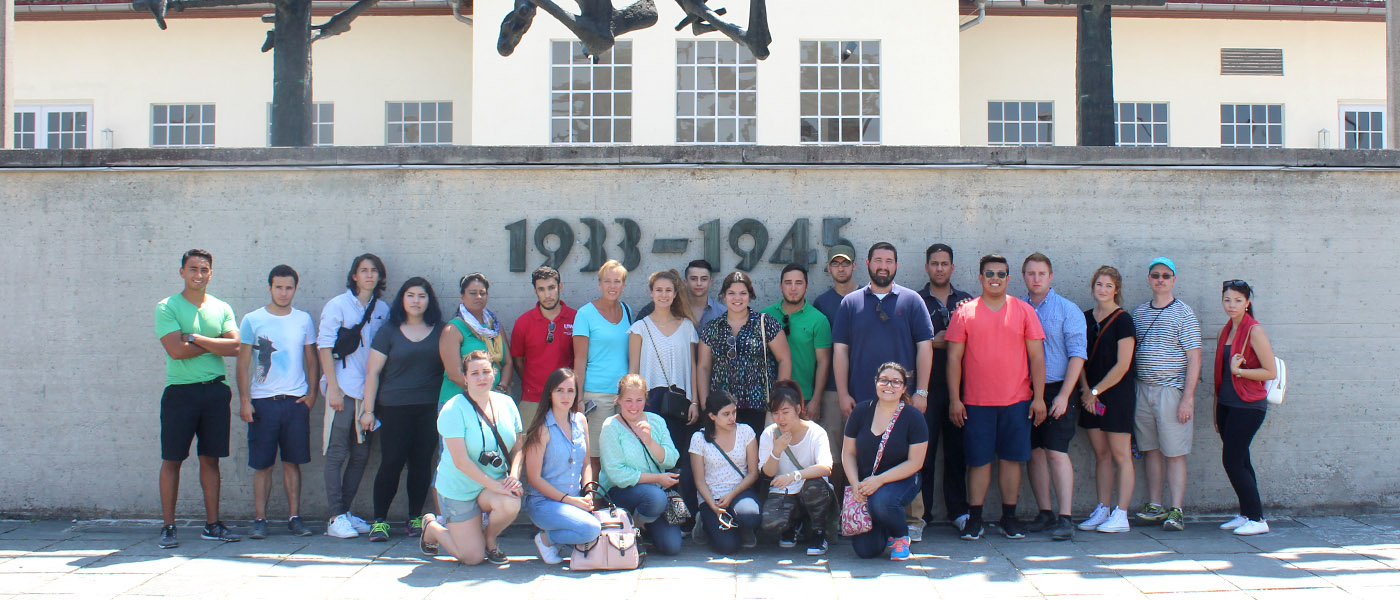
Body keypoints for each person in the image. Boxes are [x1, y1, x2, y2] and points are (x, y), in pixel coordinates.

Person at [830, 242, 934, 540]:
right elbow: (840, 351)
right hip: (861, 399)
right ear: (867, 263)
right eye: (878, 260)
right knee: (858, 456)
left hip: (904, 400)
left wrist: (922, 392)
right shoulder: (850, 303)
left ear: (897, 265)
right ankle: (858, 515)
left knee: (905, 457)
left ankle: (912, 521)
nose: (883, 266)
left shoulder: (912, 301)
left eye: (889, 261)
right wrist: (842, 392)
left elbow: (925, 348)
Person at [946, 254, 1047, 541]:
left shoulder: (1024, 310)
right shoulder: (964, 313)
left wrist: (1038, 398)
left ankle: (1009, 518)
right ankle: (974, 519)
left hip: (1016, 401)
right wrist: (955, 399)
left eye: (1001, 274)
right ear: (980, 278)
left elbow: (1037, 357)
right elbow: (954, 359)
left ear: (1008, 278)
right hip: (976, 403)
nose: (995, 278)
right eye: (989, 273)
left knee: (1012, 461)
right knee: (978, 462)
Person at [154, 249, 242, 548]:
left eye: (204, 269)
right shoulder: (167, 307)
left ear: (211, 273)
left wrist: (195, 338)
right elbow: (176, 351)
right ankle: (168, 526)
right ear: (182, 272)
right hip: (180, 392)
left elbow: (236, 347)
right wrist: (216, 345)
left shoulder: (221, 307)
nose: (198, 275)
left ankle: (212, 524)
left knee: (211, 459)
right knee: (172, 459)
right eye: (193, 269)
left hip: (215, 391)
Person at [360, 277, 446, 542]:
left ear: (429, 300)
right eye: (411, 295)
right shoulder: (389, 331)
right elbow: (373, 372)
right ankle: (380, 521)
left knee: (421, 465)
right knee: (391, 463)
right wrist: (368, 410)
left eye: (421, 296)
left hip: (429, 408)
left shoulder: (441, 330)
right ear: (402, 299)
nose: (416, 301)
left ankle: (415, 518)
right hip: (393, 408)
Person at [236, 264, 318, 539]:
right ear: (269, 287)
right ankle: (260, 519)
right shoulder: (252, 319)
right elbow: (243, 363)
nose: (284, 293)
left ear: (295, 288)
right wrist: (245, 400)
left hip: (295, 402)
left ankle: (295, 517)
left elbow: (311, 359)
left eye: (289, 287)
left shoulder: (303, 319)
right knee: (262, 464)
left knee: (292, 462)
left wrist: (311, 395)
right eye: (278, 287)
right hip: (263, 402)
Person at [421, 351, 524, 565]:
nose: (482, 377)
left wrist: (513, 476)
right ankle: (433, 528)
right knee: (472, 558)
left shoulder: (507, 403)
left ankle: (490, 540)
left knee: (511, 501)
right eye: (475, 373)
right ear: (465, 378)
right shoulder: (453, 409)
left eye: (486, 371)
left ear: (494, 373)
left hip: (491, 485)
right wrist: (496, 487)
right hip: (459, 489)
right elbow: (461, 461)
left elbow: (519, 447)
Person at [318, 253, 390, 539]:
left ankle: (345, 512)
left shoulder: (383, 308)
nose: (369, 275)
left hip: (368, 393)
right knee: (336, 452)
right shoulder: (338, 305)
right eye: (364, 270)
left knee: (361, 454)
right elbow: (324, 346)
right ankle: (335, 515)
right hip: (342, 389)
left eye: (374, 270)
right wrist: (332, 387)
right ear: (354, 275)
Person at [1131, 257, 1202, 532]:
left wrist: (1188, 397)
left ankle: (1177, 509)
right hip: (1142, 390)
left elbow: (1194, 358)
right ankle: (1155, 505)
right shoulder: (1138, 314)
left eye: (1165, 275)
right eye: (1155, 275)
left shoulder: (1184, 313)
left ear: (1174, 280)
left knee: (1174, 452)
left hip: (1171, 391)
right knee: (1150, 450)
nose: (1160, 279)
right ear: (1149, 279)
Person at [1020, 253, 1087, 541]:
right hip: (1025, 390)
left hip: (1058, 388)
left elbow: (1078, 355)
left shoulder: (1067, 309)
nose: (1036, 279)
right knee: (1034, 453)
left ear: (1051, 276)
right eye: (1031, 273)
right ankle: (1045, 513)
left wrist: (1064, 395)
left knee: (1057, 452)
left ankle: (1065, 517)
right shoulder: (1017, 308)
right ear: (1024, 277)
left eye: (1041, 273)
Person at [628, 270, 700, 516]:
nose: (663, 294)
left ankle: (679, 519)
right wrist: (632, 408)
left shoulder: (687, 326)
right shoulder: (639, 328)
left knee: (678, 461)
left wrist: (695, 401)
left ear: (675, 293)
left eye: (668, 290)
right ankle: (653, 517)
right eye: (658, 290)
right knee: (651, 460)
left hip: (679, 403)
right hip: (649, 403)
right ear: (651, 293)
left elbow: (692, 368)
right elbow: (633, 371)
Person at [842, 363, 929, 560]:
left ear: (904, 388)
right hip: (865, 482)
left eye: (896, 382)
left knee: (883, 502)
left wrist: (879, 480)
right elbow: (848, 453)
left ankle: (900, 536)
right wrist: (855, 484)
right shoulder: (861, 411)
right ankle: (885, 527)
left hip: (902, 479)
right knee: (866, 550)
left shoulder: (913, 417)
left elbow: (915, 463)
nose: (889, 386)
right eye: (884, 380)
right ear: (876, 383)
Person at [916, 243, 975, 532]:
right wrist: (934, 340)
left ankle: (958, 511)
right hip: (925, 388)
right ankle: (922, 514)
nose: (939, 268)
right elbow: (911, 342)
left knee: (957, 453)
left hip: (961, 391)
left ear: (953, 267)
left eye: (944, 263)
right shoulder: (915, 300)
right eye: (934, 263)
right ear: (927, 267)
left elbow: (976, 341)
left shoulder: (967, 301)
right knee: (923, 454)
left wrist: (947, 339)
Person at [1076, 266, 1138, 534]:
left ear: (1117, 290)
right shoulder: (1085, 317)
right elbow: (1077, 356)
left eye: (1108, 286)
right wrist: (1085, 390)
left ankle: (1121, 513)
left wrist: (1094, 392)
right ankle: (1103, 508)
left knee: (1121, 455)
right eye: (1099, 284)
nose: (1102, 289)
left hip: (1115, 396)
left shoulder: (1124, 320)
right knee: (1101, 455)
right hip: (1089, 397)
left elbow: (1123, 365)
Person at [1213, 280, 1276, 536]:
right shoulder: (1225, 330)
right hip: (1227, 404)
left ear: (1248, 302)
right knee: (1242, 459)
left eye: (1238, 300)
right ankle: (1247, 513)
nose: (1232, 305)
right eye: (1228, 299)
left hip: (1248, 405)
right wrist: (1216, 409)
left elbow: (1269, 371)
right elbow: (1219, 375)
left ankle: (1258, 519)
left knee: (1232, 460)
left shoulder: (1254, 330)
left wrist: (1239, 371)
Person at [696, 271, 792, 435]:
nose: (737, 298)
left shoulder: (765, 323)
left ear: (750, 295)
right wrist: (706, 406)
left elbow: (784, 360)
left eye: (743, 293)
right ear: (724, 296)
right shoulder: (712, 328)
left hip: (759, 406)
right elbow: (703, 367)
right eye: (731, 293)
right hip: (722, 409)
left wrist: (778, 398)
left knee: (758, 457)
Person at [599, 374, 683, 555]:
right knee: (656, 498)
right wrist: (658, 478)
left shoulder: (657, 421)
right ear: (619, 400)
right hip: (622, 491)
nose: (634, 406)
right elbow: (616, 474)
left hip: (654, 494)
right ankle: (633, 525)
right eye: (628, 400)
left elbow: (671, 458)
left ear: (646, 399)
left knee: (672, 546)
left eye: (639, 400)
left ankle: (644, 526)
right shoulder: (611, 426)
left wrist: (650, 441)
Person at [522, 368, 599, 564]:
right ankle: (546, 539)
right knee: (591, 529)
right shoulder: (542, 429)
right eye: (559, 390)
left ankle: (560, 537)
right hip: (544, 503)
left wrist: (589, 491)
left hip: (575, 501)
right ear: (550, 393)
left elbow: (586, 464)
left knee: (599, 528)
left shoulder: (581, 420)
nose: (565, 396)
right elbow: (534, 478)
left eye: (570, 390)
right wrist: (570, 501)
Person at [758, 380, 835, 556]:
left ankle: (819, 533)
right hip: (784, 491)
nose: (780, 418)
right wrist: (776, 451)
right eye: (776, 413)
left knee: (814, 487)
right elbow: (767, 473)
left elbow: (825, 467)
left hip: (810, 488)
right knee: (770, 523)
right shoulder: (769, 434)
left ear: (798, 410)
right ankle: (792, 525)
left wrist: (795, 475)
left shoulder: (816, 433)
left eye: (785, 412)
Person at [573, 259, 634, 467]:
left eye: (617, 281)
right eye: (607, 281)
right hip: (597, 395)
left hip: (624, 396)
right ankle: (594, 500)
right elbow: (579, 359)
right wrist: (578, 398)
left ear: (624, 286)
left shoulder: (627, 310)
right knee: (596, 455)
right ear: (599, 284)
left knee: (622, 453)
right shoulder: (585, 314)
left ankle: (616, 499)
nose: (612, 286)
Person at [759, 263, 832, 428]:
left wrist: (816, 400)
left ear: (806, 287)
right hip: (770, 398)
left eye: (798, 283)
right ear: (780, 286)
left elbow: (823, 362)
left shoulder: (818, 320)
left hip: (803, 398)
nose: (793, 288)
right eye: (788, 282)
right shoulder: (765, 316)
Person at [689, 390, 761, 554]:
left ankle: (743, 527)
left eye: (734, 412)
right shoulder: (698, 439)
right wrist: (713, 506)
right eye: (726, 414)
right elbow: (699, 481)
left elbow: (753, 473)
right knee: (728, 546)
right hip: (712, 496)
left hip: (740, 491)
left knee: (751, 516)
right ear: (712, 416)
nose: (732, 418)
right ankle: (705, 521)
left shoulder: (746, 431)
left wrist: (731, 495)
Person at [812, 244, 858, 486]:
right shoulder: (822, 303)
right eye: (836, 264)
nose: (841, 268)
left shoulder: (867, 297)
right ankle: (837, 510)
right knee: (833, 454)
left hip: (863, 387)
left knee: (863, 451)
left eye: (846, 263)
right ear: (829, 268)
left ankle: (860, 511)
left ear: (856, 266)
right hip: (831, 389)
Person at [511, 267, 577, 430]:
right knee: (527, 450)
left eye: (551, 288)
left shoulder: (576, 318)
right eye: (541, 289)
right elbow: (518, 361)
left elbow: (581, 358)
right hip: (533, 399)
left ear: (560, 287)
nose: (547, 295)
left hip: (565, 398)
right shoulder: (523, 322)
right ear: (535, 291)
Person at [440, 273, 513, 411]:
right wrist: (482, 394)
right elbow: (454, 374)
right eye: (472, 293)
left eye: (482, 293)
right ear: (462, 297)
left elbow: (508, 363)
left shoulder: (495, 327)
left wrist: (501, 388)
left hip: (493, 403)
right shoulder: (453, 329)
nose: (478, 297)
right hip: (459, 403)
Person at [635, 259, 726, 327]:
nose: (699, 283)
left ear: (710, 282)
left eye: (704, 279)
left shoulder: (722, 313)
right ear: (685, 282)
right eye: (693, 279)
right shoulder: (670, 306)